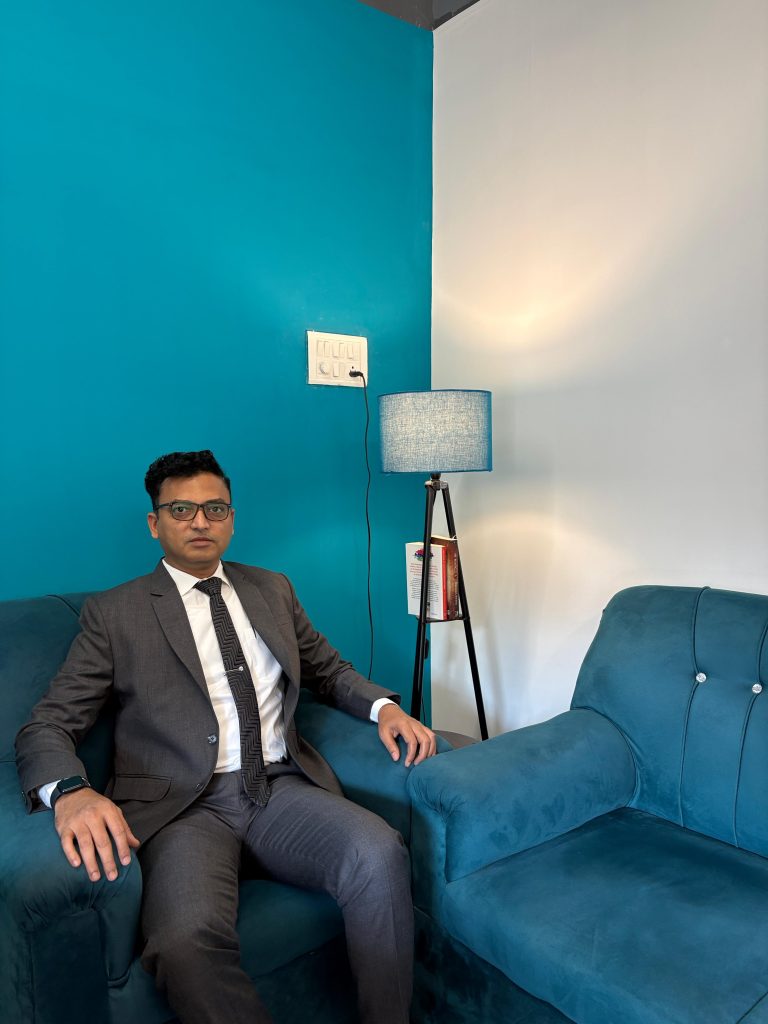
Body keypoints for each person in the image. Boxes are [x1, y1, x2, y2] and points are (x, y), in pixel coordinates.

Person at [16, 449, 436, 1024]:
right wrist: (70, 792)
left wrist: (383, 708)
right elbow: (47, 724)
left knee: (380, 852)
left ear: (232, 518)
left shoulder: (271, 588)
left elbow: (328, 670)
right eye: (181, 509)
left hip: (280, 789)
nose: (200, 521)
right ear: (155, 523)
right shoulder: (116, 614)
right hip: (182, 811)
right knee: (184, 941)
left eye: (215, 508)